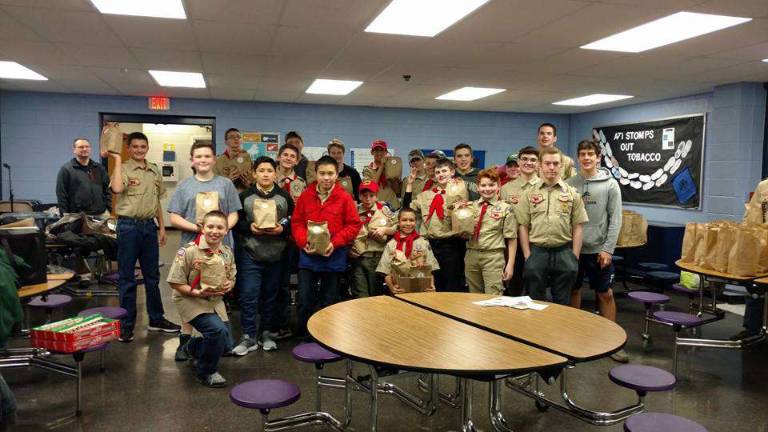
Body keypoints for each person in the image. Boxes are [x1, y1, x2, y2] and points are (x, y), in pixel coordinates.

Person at [167, 142, 241, 360]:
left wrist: (221, 228)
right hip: (193, 246)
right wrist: (198, 229)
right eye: (198, 156)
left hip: (220, 245)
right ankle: (186, 340)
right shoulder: (184, 186)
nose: (203, 160)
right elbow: (174, 217)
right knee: (190, 291)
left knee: (218, 288)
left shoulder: (225, 184)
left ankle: (216, 335)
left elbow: (234, 213)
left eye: (207, 156)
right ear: (192, 159)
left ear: (213, 159)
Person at [108, 132, 179, 342]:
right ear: (129, 148)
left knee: (152, 277)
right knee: (127, 278)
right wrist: (118, 160)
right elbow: (117, 188)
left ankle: (156, 319)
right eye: (135, 146)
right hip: (128, 227)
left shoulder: (154, 170)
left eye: (143, 146)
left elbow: (156, 201)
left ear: (147, 148)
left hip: (149, 227)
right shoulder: (123, 168)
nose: (139, 150)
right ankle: (126, 325)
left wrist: (162, 228)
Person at [566, 139, 627, 362]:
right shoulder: (570, 183)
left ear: (598, 157)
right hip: (574, 250)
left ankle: (613, 342)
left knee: (605, 293)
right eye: (582, 154)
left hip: (599, 250)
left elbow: (616, 219)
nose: (587, 157)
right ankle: (573, 338)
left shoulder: (610, 184)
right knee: (573, 290)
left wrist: (608, 249)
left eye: (590, 153)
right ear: (578, 157)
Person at [291, 155, 362, 338]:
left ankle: (326, 336)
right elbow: (297, 222)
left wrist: (335, 242)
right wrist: (302, 241)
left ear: (336, 174)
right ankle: (305, 335)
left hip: (334, 257)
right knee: (305, 299)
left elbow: (354, 225)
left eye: (330, 173)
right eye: (322, 173)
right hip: (308, 257)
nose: (326, 178)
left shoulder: (345, 198)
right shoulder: (306, 196)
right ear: (316, 174)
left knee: (329, 300)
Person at [232, 157, 294, 355]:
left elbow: (292, 221)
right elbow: (237, 224)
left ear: (276, 173)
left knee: (270, 296)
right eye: (261, 170)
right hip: (251, 253)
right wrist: (249, 228)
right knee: (249, 295)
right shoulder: (244, 197)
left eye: (269, 170)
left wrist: (282, 229)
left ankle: (267, 333)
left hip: (277, 254)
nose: (265, 174)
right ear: (254, 173)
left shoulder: (284, 197)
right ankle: (249, 335)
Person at [167, 210, 235, 388]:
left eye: (220, 227)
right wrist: (196, 293)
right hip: (189, 298)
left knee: (227, 345)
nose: (215, 231)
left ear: (226, 231)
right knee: (217, 332)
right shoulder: (189, 251)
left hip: (213, 300)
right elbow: (175, 282)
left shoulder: (226, 252)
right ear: (203, 229)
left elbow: (232, 275)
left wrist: (230, 285)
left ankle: (191, 348)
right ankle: (206, 372)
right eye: (210, 226)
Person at [517, 147, 588, 305]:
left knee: (562, 301)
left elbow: (578, 226)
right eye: (547, 163)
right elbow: (523, 226)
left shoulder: (572, 194)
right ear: (540, 166)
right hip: (537, 252)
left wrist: (574, 256)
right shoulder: (529, 194)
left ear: (561, 166)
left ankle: (558, 330)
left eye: (556, 163)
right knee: (534, 300)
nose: (551, 167)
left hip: (564, 252)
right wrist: (528, 255)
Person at [403, 158, 468, 292]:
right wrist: (409, 185)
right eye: (438, 172)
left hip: (451, 244)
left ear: (452, 172)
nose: (441, 174)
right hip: (430, 244)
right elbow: (407, 210)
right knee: (432, 283)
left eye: (444, 171)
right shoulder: (426, 195)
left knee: (452, 283)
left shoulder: (459, 191)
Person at [463, 168, 517, 295]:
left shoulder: (506, 208)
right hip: (472, 255)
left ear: (498, 186)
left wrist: (510, 264)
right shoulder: (470, 207)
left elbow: (512, 238)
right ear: (478, 187)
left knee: (493, 296)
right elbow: (463, 234)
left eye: (491, 185)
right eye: (483, 185)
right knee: (473, 296)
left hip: (493, 257)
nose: (487, 188)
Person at [274, 142, 306, 340]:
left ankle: (293, 324)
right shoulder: (270, 177)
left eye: (292, 156)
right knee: (278, 283)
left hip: (294, 237)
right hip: (272, 236)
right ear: (279, 157)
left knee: (292, 282)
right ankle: (277, 323)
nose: (288, 158)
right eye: (284, 154)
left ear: (297, 160)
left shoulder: (300, 183)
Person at [500, 146, 540, 295]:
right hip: (513, 244)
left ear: (538, 163)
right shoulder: (506, 189)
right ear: (519, 161)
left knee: (535, 288)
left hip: (538, 243)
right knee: (514, 286)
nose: (528, 163)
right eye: (524, 159)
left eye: (533, 160)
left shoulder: (545, 186)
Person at [732, 178, 768, 340]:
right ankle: (753, 328)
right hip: (763, 245)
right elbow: (752, 217)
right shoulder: (764, 186)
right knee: (756, 287)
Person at [349, 181, 397, 298]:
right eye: (364, 196)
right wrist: (347, 249)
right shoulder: (353, 210)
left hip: (378, 258)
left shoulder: (384, 210)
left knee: (376, 294)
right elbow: (344, 229)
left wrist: (385, 230)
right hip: (359, 258)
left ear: (376, 195)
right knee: (361, 294)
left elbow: (398, 226)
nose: (368, 199)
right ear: (359, 196)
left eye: (371, 195)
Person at [376, 207, 439, 294]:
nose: (408, 223)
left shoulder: (423, 243)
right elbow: (386, 272)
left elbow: (429, 270)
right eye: (404, 220)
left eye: (411, 220)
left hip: (421, 291)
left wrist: (431, 286)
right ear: (398, 222)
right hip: (399, 291)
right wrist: (392, 288)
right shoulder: (391, 245)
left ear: (415, 222)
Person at [56, 138, 111, 216]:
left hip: (101, 214)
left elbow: (107, 189)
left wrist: (108, 208)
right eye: (81, 147)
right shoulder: (66, 170)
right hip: (78, 216)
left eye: (87, 146)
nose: (85, 149)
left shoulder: (99, 168)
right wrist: (65, 216)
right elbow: (61, 195)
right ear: (74, 150)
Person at [362, 139, 401, 209]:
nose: (379, 153)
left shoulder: (391, 169)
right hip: (376, 207)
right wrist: (382, 166)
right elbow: (371, 187)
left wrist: (394, 181)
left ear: (386, 152)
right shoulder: (367, 170)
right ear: (372, 152)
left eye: (382, 150)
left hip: (393, 206)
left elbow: (398, 192)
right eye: (376, 150)